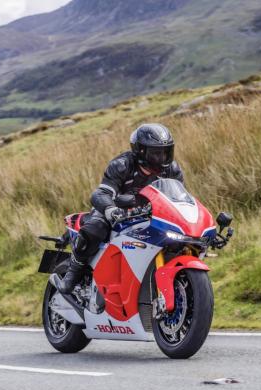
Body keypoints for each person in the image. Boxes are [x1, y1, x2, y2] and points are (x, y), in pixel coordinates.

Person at [50, 123, 184, 294]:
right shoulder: (122, 165)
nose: (161, 158)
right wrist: (111, 209)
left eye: (165, 152)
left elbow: (178, 197)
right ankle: (72, 275)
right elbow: (100, 193)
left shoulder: (172, 170)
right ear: (140, 151)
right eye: (156, 153)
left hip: (150, 215)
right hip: (115, 211)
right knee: (95, 229)